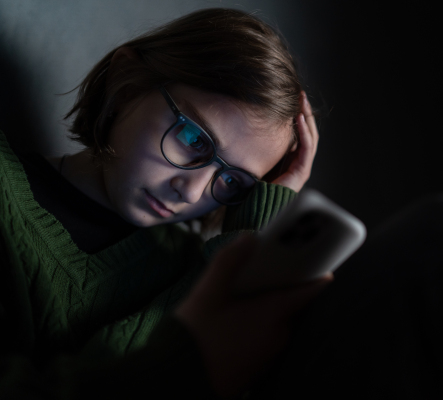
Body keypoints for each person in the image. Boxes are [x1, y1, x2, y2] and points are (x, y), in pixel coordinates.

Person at [0, 8, 326, 399]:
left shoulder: (194, 270)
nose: (190, 192)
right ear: (127, 83)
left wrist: (252, 232)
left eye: (231, 181)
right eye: (194, 141)